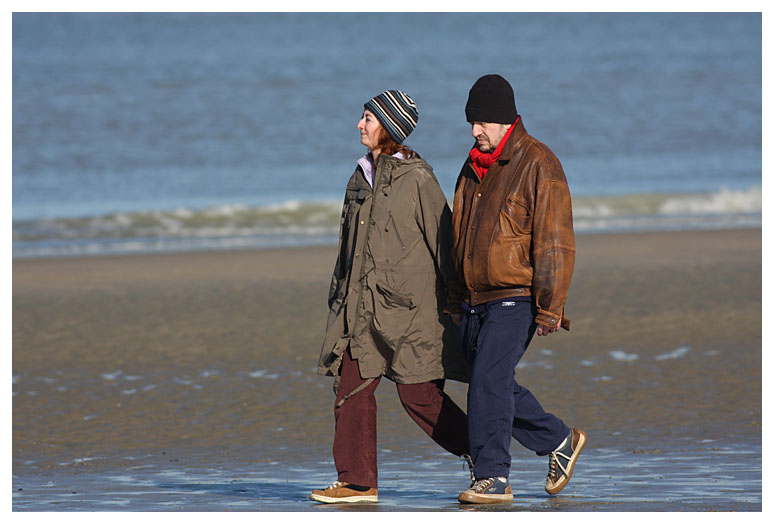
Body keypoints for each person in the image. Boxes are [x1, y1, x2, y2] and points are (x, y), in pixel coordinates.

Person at [310, 90, 471, 504]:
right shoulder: (358, 177)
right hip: (360, 310)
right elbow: (348, 249)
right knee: (350, 389)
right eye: (362, 116)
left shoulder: (417, 178)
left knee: (419, 397)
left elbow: (444, 245)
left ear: (390, 128)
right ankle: (357, 481)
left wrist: (456, 302)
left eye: (368, 117)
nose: (360, 124)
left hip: (411, 313)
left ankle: (482, 453)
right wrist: (338, 297)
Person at [448, 74, 586, 504]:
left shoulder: (539, 162)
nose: (474, 131)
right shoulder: (471, 167)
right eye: (471, 123)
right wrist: (454, 296)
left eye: (482, 123)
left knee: (487, 380)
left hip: (517, 296)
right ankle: (559, 439)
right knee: (494, 382)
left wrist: (550, 307)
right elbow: (458, 234)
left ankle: (493, 478)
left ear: (505, 120)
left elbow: (555, 241)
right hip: (474, 299)